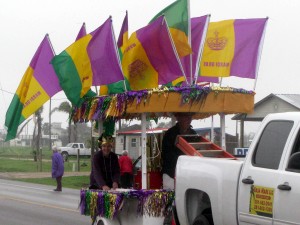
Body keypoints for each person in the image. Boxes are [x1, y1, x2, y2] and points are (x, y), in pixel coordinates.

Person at [162, 112, 197, 189]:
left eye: (190, 117)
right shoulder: (170, 133)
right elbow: (166, 155)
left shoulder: (194, 134)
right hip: (171, 173)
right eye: (186, 116)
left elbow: (197, 152)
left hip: (188, 174)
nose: (189, 119)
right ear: (178, 118)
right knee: (170, 198)